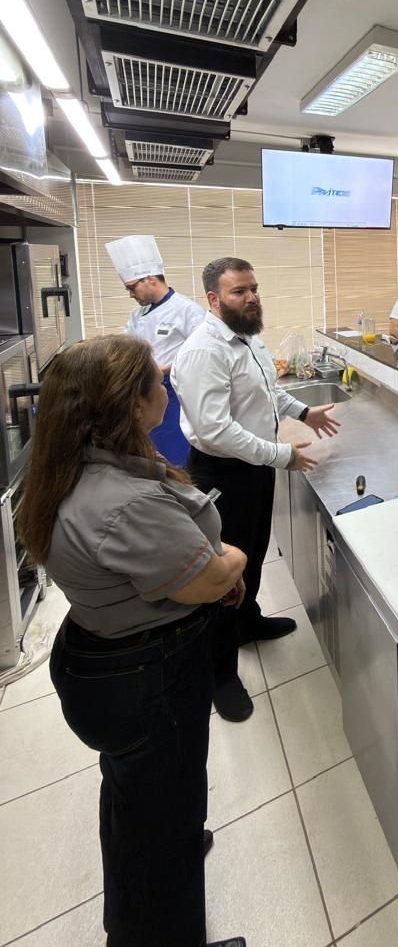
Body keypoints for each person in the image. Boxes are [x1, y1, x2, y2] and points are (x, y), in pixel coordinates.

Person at [18, 335, 247, 947]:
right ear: (130, 403)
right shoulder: (127, 502)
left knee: (135, 804)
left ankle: (141, 895)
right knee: (167, 824)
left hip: (101, 656)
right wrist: (236, 558)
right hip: (148, 677)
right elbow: (210, 579)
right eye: (155, 379)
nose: (165, 385)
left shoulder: (73, 466)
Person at [172, 257, 340, 722]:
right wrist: (281, 455)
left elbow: (267, 393)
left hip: (253, 470)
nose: (252, 298)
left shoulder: (246, 337)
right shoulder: (204, 351)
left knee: (253, 553)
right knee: (221, 574)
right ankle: (220, 674)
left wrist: (303, 413)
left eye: (254, 288)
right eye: (239, 292)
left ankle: (247, 623)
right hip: (221, 474)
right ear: (213, 299)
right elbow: (215, 430)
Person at [105, 234, 205, 467]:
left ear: (150, 279)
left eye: (132, 288)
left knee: (174, 459)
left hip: (174, 395)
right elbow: (126, 346)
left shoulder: (188, 311)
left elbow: (201, 355)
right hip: (143, 393)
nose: (131, 294)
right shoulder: (137, 314)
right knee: (150, 457)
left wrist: (161, 370)